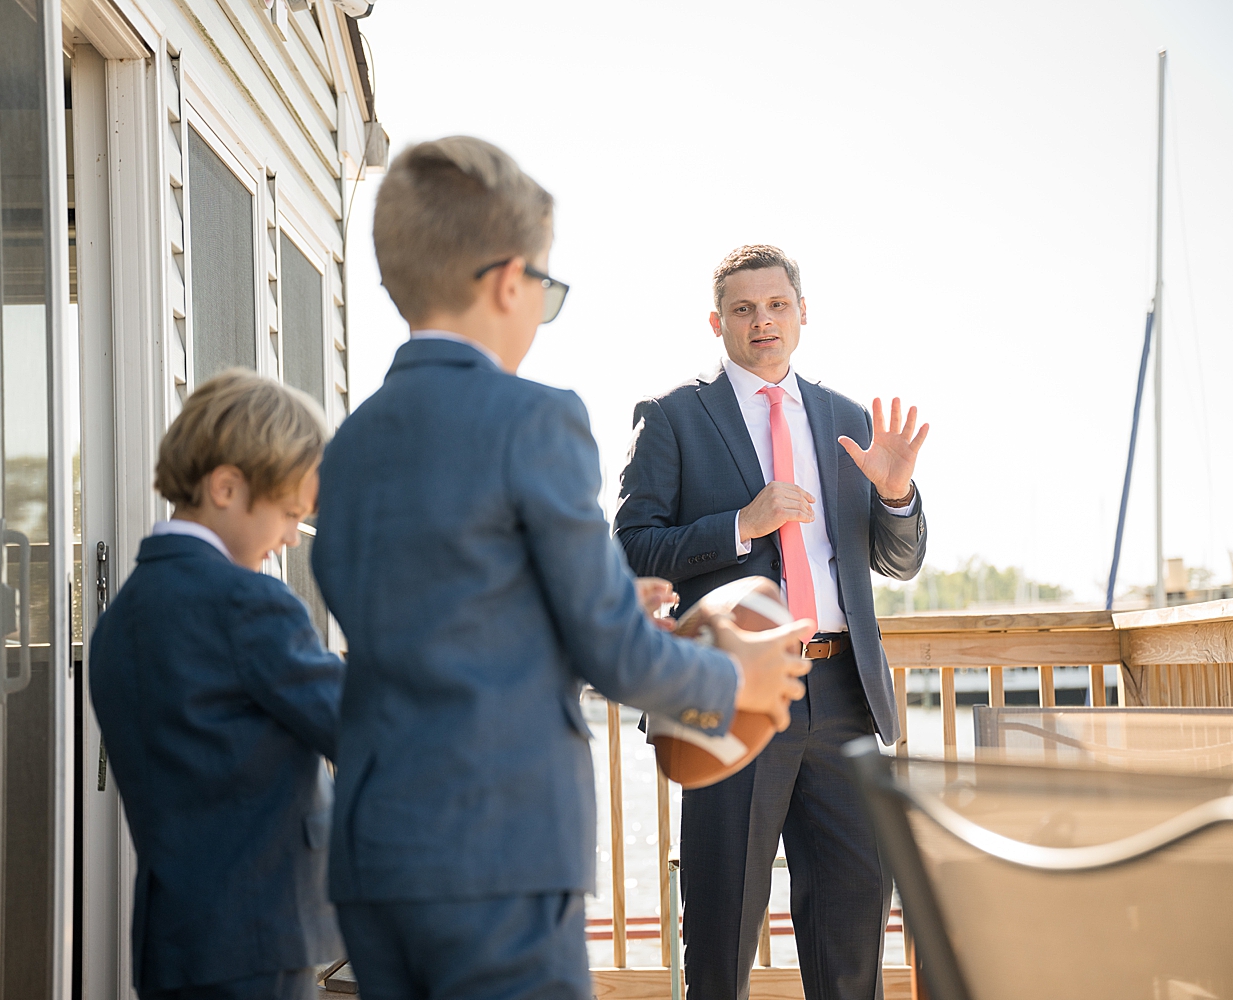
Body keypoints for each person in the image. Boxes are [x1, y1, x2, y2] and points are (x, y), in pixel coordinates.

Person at [311, 137, 814, 1000]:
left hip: (375, 842)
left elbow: (441, 611)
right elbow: (615, 654)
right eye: (546, 290)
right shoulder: (533, 418)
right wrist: (738, 683)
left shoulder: (350, 446)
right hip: (501, 845)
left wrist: (589, 595)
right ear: (512, 284)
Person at [614, 245, 929, 1000]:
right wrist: (739, 526)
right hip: (733, 689)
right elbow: (629, 549)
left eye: (778, 305)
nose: (764, 322)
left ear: (803, 313)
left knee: (854, 919)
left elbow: (901, 560)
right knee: (723, 925)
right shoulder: (673, 418)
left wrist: (895, 497)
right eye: (746, 309)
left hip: (845, 690)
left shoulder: (849, 419)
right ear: (717, 321)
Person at [90, 369, 345, 1000]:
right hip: (258, 937)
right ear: (227, 486)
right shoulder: (248, 605)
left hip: (172, 941)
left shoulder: (121, 618)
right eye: (289, 513)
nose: (290, 537)